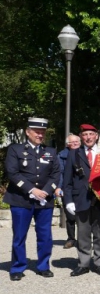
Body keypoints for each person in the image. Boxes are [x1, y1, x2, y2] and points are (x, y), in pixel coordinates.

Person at [5, 117, 61, 281]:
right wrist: (31, 189)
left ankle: (43, 265)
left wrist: (45, 191)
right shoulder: (15, 150)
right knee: (19, 235)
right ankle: (17, 267)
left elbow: (56, 174)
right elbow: (12, 173)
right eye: (37, 132)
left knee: (45, 236)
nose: (40, 134)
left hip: (44, 200)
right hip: (21, 199)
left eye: (42, 132)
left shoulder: (50, 151)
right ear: (28, 132)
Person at [64, 124, 100, 276]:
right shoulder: (74, 154)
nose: (88, 137)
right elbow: (67, 180)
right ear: (81, 137)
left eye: (91, 134)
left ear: (96, 136)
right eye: (85, 134)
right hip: (80, 199)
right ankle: (83, 263)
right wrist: (68, 200)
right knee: (83, 234)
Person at [57, 134, 81, 249]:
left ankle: (83, 239)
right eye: (73, 142)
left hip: (81, 189)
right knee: (70, 216)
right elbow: (60, 173)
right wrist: (59, 187)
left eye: (77, 141)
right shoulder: (62, 156)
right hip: (67, 188)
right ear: (68, 144)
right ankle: (71, 238)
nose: (75, 143)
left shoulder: (84, 153)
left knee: (84, 215)